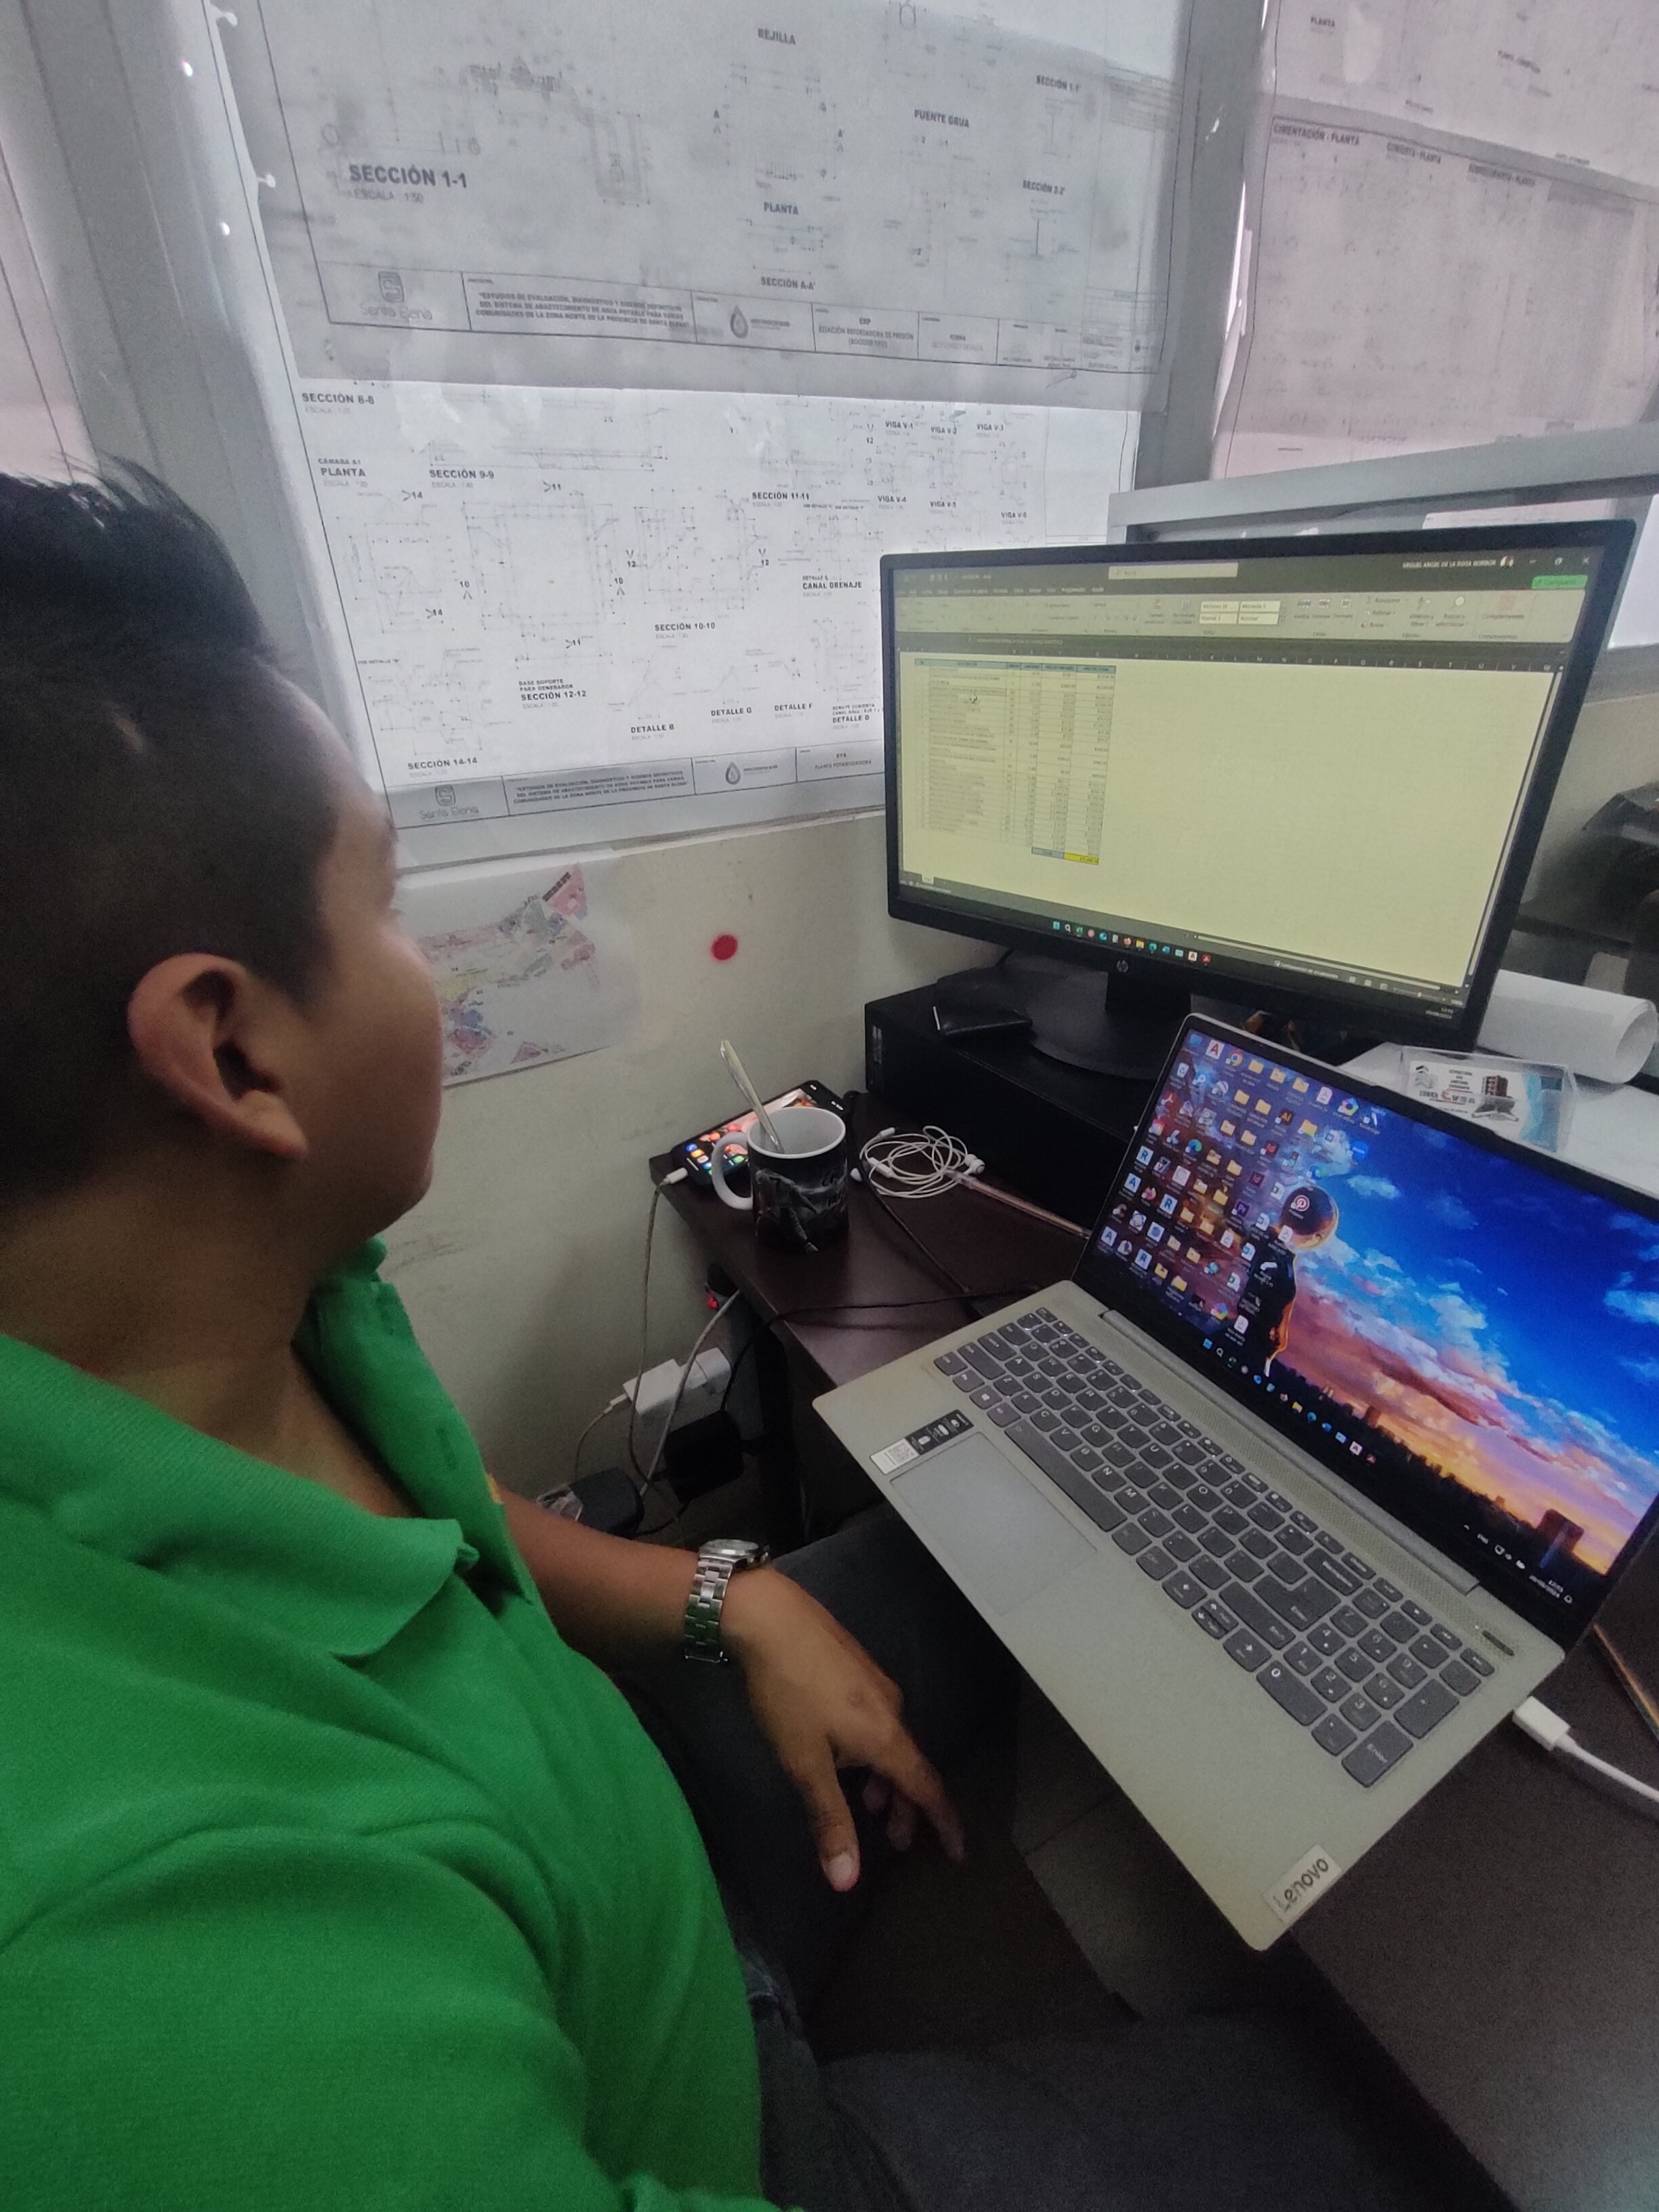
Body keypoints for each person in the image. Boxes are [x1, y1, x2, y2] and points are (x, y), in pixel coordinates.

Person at [0, 471, 1453, 2212]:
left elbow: (436, 1522)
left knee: (1015, 1524)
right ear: (233, 1055)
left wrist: (728, 1598)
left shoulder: (246, 1296)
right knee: (1378, 2140)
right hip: (730, 2136)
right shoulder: (169, 1965)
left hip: (626, 1850)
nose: (429, 967)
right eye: (388, 904)